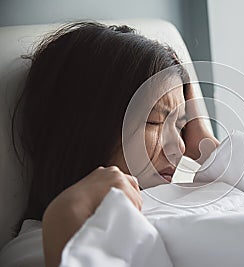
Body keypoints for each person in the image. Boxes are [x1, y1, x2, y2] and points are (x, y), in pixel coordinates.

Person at [12, 21, 219, 267]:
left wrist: (205, 144)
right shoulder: (43, 243)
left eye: (181, 127)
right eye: (154, 122)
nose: (180, 148)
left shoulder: (189, 197)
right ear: (87, 128)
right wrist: (66, 218)